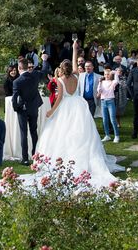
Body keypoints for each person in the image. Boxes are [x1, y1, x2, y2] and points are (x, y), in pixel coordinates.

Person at [34, 59, 123, 187]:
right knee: (82, 132)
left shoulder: (59, 80)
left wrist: (51, 111)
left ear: (61, 69)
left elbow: (59, 98)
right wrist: (75, 48)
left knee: (63, 132)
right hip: (78, 105)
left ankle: (66, 158)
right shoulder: (76, 76)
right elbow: (75, 65)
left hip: (65, 107)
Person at [12, 54, 51, 165]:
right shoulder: (34, 75)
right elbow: (44, 71)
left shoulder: (17, 81)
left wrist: (16, 108)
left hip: (22, 110)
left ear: (19, 68)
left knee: (24, 133)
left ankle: (25, 159)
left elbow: (14, 98)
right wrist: (44, 60)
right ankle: (35, 155)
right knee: (34, 131)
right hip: (34, 108)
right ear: (27, 67)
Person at [97, 68, 120, 143]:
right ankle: (107, 135)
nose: (107, 76)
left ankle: (117, 135)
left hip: (110, 101)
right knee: (104, 120)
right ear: (104, 75)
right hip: (103, 101)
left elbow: (117, 80)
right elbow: (99, 90)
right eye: (105, 74)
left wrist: (114, 72)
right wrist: (100, 82)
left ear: (110, 75)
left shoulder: (113, 82)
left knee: (112, 119)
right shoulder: (102, 82)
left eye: (108, 74)